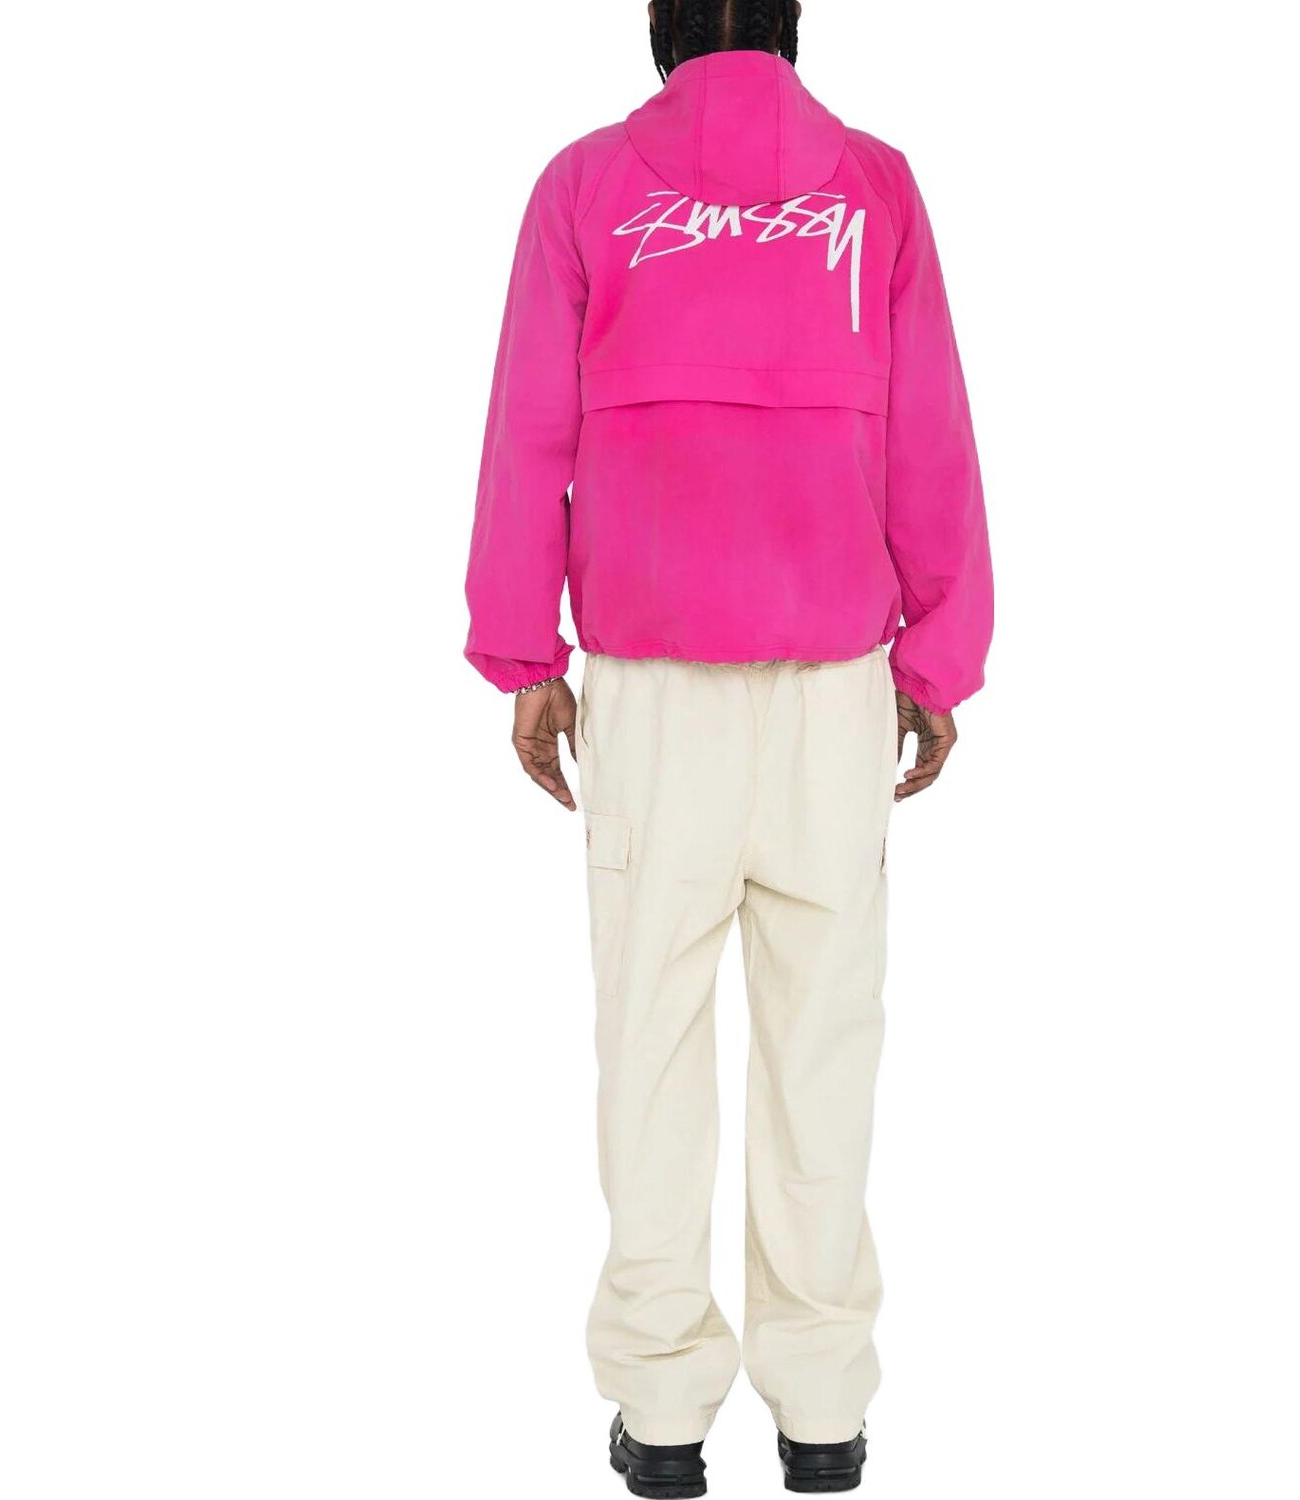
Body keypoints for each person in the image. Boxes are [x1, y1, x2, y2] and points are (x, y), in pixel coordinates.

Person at [463, 3, 992, 1492]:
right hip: (834, 689)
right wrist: (939, 655)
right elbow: (931, 430)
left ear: (662, 26)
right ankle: (821, 1412)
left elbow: (530, 428)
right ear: (790, 25)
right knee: (825, 1047)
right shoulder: (874, 187)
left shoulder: (585, 187)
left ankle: (664, 1412)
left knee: (650, 1047)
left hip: (651, 691)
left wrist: (524, 652)